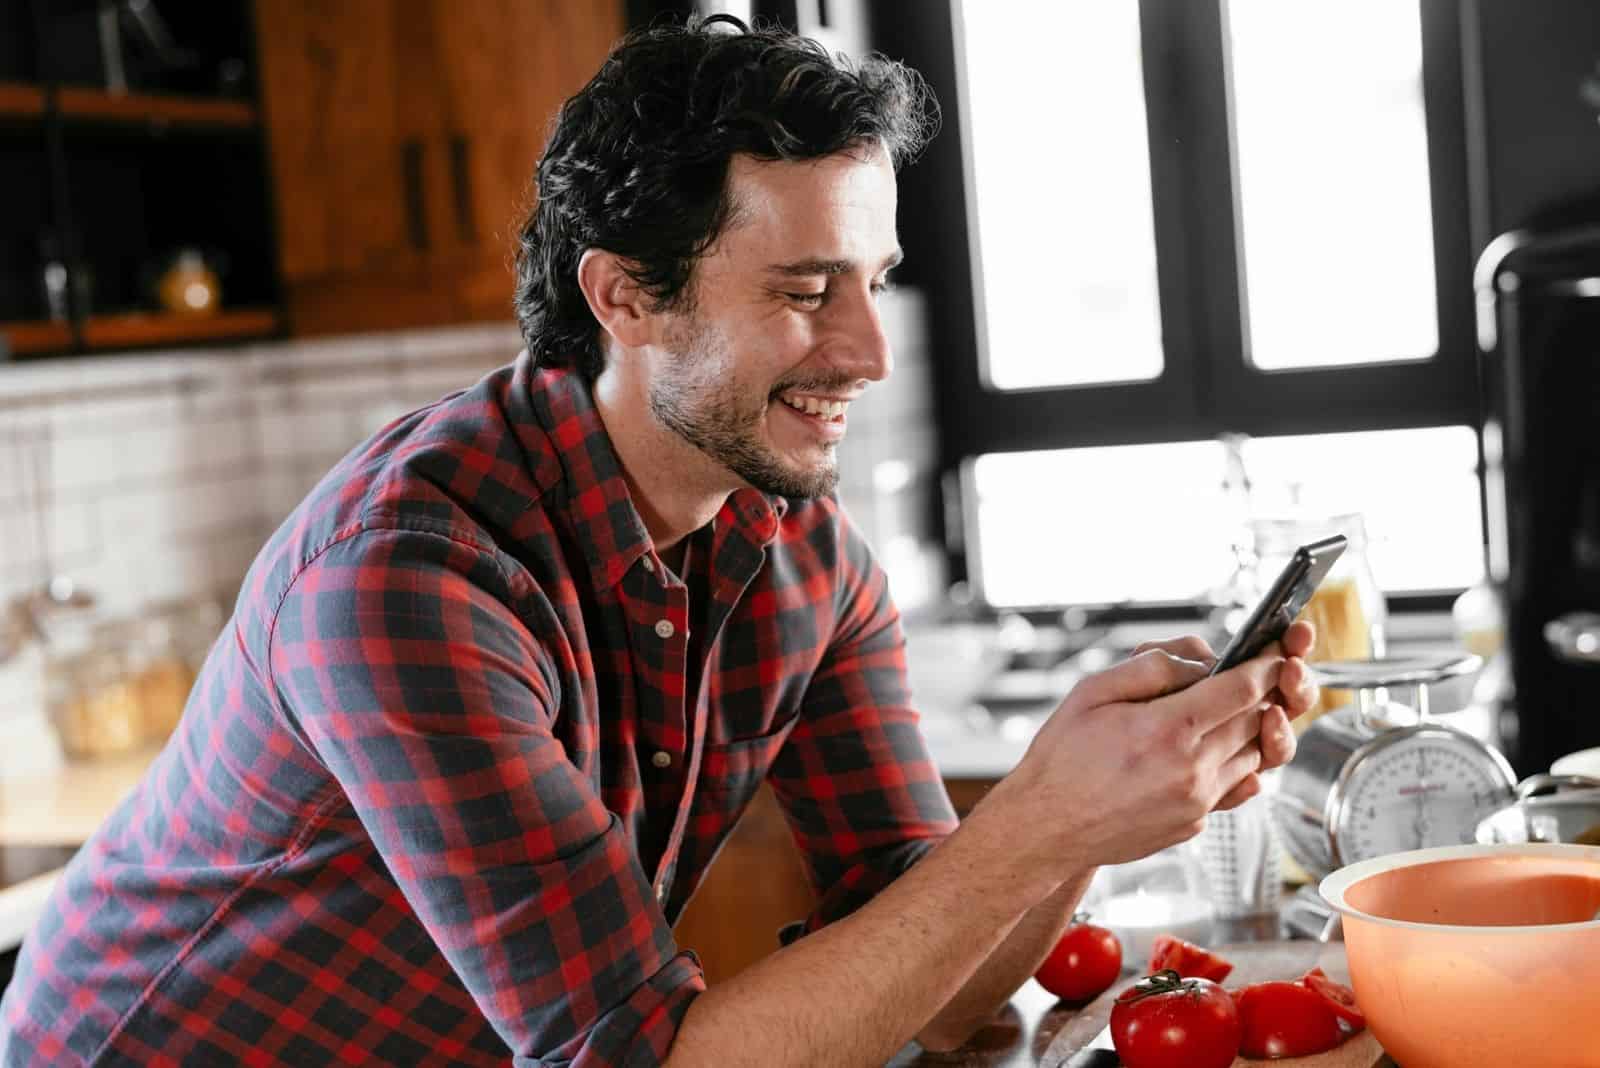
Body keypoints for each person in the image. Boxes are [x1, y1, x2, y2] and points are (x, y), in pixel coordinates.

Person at [0, 16, 1316, 1068]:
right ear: (626, 294)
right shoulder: (409, 578)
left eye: (875, 282)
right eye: (806, 293)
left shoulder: (806, 562)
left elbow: (942, 994)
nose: (865, 351)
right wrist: (1033, 829)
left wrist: (1091, 810)